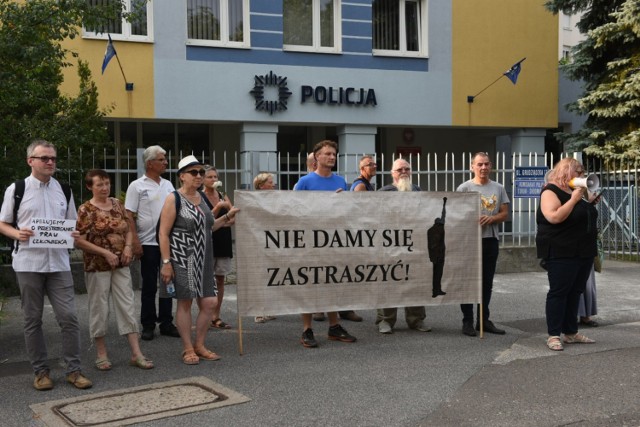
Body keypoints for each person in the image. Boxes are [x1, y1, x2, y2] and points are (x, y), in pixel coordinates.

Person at [0, 139, 92, 390]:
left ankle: (74, 370)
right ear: (31, 161)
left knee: (69, 317)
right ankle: (41, 372)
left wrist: (73, 234)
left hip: (59, 263)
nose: (50, 162)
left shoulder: (64, 189)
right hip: (28, 263)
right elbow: (3, 223)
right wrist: (16, 234)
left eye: (53, 158)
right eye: (44, 158)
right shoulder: (17, 189)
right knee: (32, 319)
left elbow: (73, 224)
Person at [157, 155, 239, 364]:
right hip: (182, 258)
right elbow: (163, 233)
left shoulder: (202, 198)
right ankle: (187, 348)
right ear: (182, 176)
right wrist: (167, 263)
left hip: (204, 258)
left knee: (210, 302)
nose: (199, 176)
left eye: (201, 172)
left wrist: (229, 216)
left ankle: (199, 344)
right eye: (194, 172)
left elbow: (209, 227)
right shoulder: (173, 198)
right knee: (185, 303)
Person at [75, 169, 154, 371]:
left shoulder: (117, 204)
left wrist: (128, 247)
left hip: (121, 264)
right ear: (89, 187)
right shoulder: (85, 210)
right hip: (97, 266)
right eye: (99, 184)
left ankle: (136, 353)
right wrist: (105, 253)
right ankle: (101, 354)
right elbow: (80, 242)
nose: (104, 187)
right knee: (99, 308)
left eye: (107, 183)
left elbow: (127, 228)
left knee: (127, 305)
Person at [294, 140, 357, 348]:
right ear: (317, 157)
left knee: (333, 282)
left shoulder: (340, 181)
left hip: (334, 240)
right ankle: (307, 329)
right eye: (327, 154)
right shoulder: (304, 182)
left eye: (334, 154)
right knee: (309, 284)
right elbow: (293, 210)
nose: (331, 157)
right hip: (310, 242)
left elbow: (346, 212)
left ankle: (334, 326)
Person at [537, 157, 598, 351]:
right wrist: (574, 200)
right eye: (578, 172)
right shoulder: (550, 191)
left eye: (582, 172)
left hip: (583, 250)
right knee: (559, 292)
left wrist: (588, 203)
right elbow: (554, 217)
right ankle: (554, 335)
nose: (581, 176)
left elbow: (576, 217)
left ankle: (571, 332)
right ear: (565, 171)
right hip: (561, 250)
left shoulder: (574, 192)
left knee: (575, 292)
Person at [125, 145, 180, 341]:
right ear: (149, 163)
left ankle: (166, 322)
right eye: (161, 159)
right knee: (149, 285)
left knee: (168, 283)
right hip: (147, 242)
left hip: (168, 242)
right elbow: (129, 215)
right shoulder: (137, 185)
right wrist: (135, 241)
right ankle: (147, 324)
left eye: (165, 159)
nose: (166, 162)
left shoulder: (168, 185)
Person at [456, 152, 510, 337]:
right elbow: (456, 215)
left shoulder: (498, 188)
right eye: (479, 164)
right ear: (472, 166)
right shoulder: (464, 188)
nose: (483, 168)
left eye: (486, 164)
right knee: (468, 282)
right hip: (469, 242)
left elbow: (505, 213)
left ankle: (483, 320)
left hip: (490, 240)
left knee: (486, 283)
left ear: (491, 166)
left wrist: (493, 218)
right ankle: (467, 321)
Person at [375, 158, 431, 334]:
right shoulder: (384, 192)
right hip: (389, 245)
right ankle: (385, 320)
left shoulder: (417, 191)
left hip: (414, 244)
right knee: (388, 282)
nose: (404, 172)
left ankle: (416, 320)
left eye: (407, 169)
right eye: (400, 169)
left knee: (415, 281)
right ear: (393, 173)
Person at [203, 166, 234, 330]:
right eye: (210, 177)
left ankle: (216, 315)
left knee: (220, 279)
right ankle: (205, 316)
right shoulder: (200, 196)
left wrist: (225, 210)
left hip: (223, 241)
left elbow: (233, 217)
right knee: (206, 279)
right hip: (208, 241)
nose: (214, 180)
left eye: (215, 177)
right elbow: (207, 220)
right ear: (203, 179)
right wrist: (219, 213)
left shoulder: (222, 195)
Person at [252, 172, 278, 324]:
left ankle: (267, 308)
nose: (273, 184)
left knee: (270, 275)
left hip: (271, 242)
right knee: (259, 276)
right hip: (258, 242)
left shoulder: (274, 200)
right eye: (270, 182)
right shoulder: (253, 201)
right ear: (261, 186)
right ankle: (258, 311)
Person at [428, 197, 448, 298]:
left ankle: (436, 290)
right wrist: (444, 203)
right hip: (439, 256)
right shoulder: (440, 229)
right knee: (438, 274)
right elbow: (443, 215)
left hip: (434, 256)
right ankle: (436, 290)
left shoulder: (430, 230)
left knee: (436, 274)